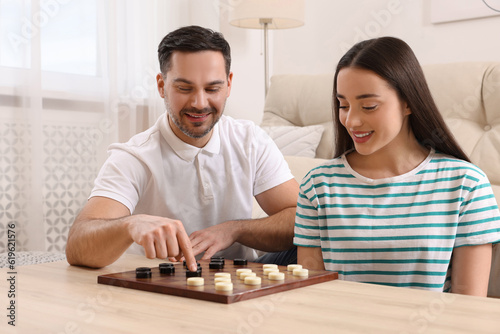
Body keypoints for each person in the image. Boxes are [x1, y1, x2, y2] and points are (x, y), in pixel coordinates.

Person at [66, 25, 299, 271]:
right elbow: (77, 245)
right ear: (161, 85)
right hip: (163, 282)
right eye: (184, 88)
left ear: (229, 85)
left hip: (239, 280)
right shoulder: (134, 157)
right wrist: (129, 225)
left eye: (212, 88)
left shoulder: (250, 140)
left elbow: (304, 218)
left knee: (315, 241)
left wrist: (234, 229)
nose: (199, 103)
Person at [294, 37, 500, 296]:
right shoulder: (318, 185)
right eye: (343, 105)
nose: (351, 120)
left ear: (408, 102)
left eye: (368, 106)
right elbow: (312, 296)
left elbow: (468, 309)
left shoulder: (466, 185)